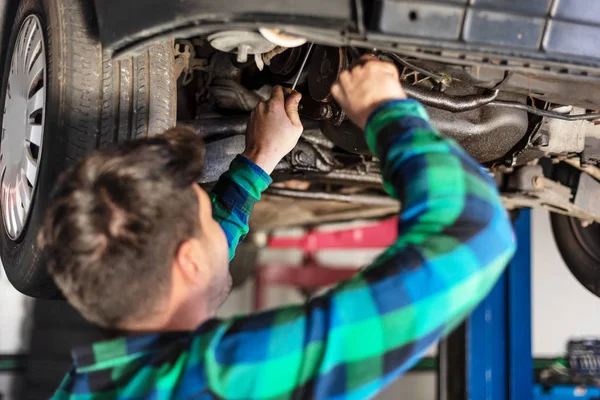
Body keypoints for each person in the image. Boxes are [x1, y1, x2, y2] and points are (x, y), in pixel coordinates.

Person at [42, 56, 515, 399]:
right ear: (186, 260)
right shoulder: (223, 380)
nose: (215, 223)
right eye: (207, 214)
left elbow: (189, 267)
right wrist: (387, 113)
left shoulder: (99, 381)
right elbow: (475, 230)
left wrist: (257, 162)